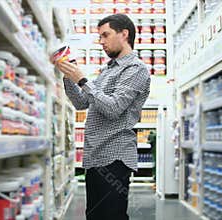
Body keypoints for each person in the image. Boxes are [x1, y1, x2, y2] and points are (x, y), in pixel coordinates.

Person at [53, 14, 151, 220]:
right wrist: (69, 75)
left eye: (105, 35)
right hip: (95, 156)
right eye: (100, 36)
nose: (102, 41)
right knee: (95, 216)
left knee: (111, 216)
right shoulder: (107, 70)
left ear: (124, 34)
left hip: (114, 157)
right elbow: (82, 103)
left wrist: (82, 79)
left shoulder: (136, 69)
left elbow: (114, 108)